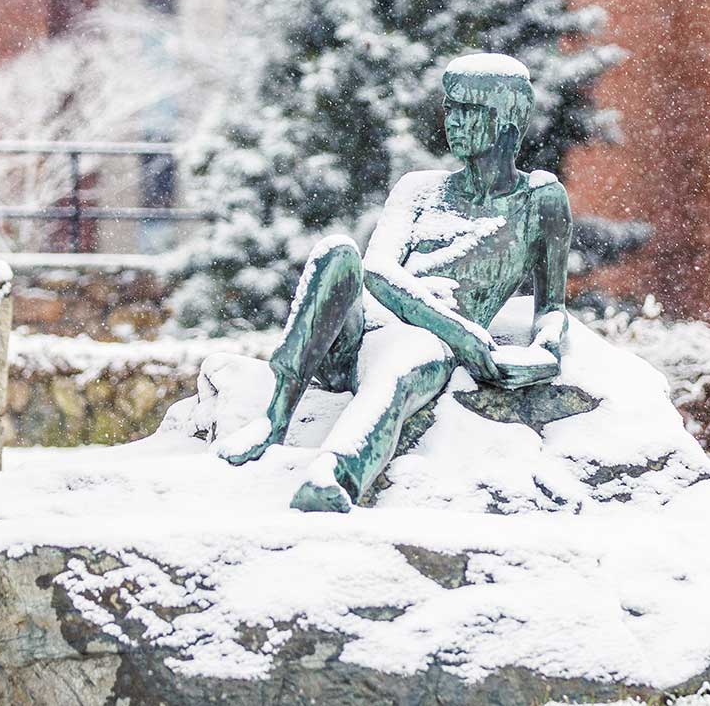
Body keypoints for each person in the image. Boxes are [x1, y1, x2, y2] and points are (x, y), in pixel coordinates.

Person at [216, 52, 573, 513]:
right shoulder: (419, 188)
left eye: (469, 110)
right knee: (336, 252)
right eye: (450, 108)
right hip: (364, 336)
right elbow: (376, 271)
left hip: (424, 347)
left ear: (507, 120)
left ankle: (336, 476)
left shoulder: (539, 200)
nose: (455, 122)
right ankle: (274, 416)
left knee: (401, 360)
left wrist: (544, 352)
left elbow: (553, 307)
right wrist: (462, 334)